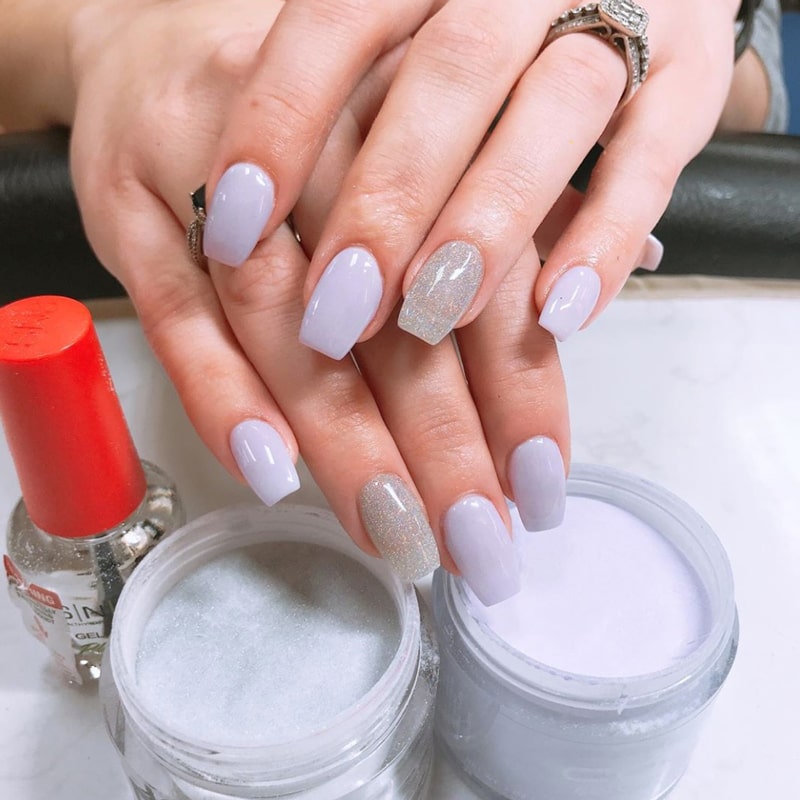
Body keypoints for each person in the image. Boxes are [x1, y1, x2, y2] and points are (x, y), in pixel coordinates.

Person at [0, 0, 788, 603]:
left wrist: (698, 19)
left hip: (665, 320)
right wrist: (98, 33)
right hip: (141, 219)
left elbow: (750, 99)